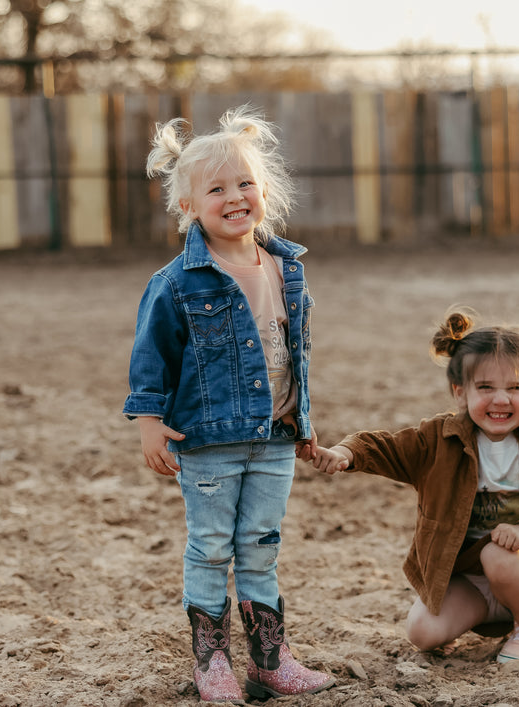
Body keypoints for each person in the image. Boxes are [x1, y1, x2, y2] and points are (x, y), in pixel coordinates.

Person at [123, 105, 334, 703]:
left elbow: (292, 356)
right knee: (212, 548)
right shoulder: (176, 282)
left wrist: (304, 422)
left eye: (245, 183)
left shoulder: (287, 269)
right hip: (208, 442)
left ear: (264, 190)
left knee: (262, 544)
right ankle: (212, 662)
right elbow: (150, 356)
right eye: (216, 188)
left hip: (275, 437)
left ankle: (271, 660)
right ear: (188, 206)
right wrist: (148, 423)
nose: (235, 196)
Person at [313, 308, 519, 664]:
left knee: (498, 554)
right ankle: (486, 614)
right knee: (422, 634)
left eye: (515, 388)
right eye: (486, 388)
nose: (500, 399)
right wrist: (346, 452)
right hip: (469, 578)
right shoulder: (439, 438)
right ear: (460, 392)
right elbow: (387, 446)